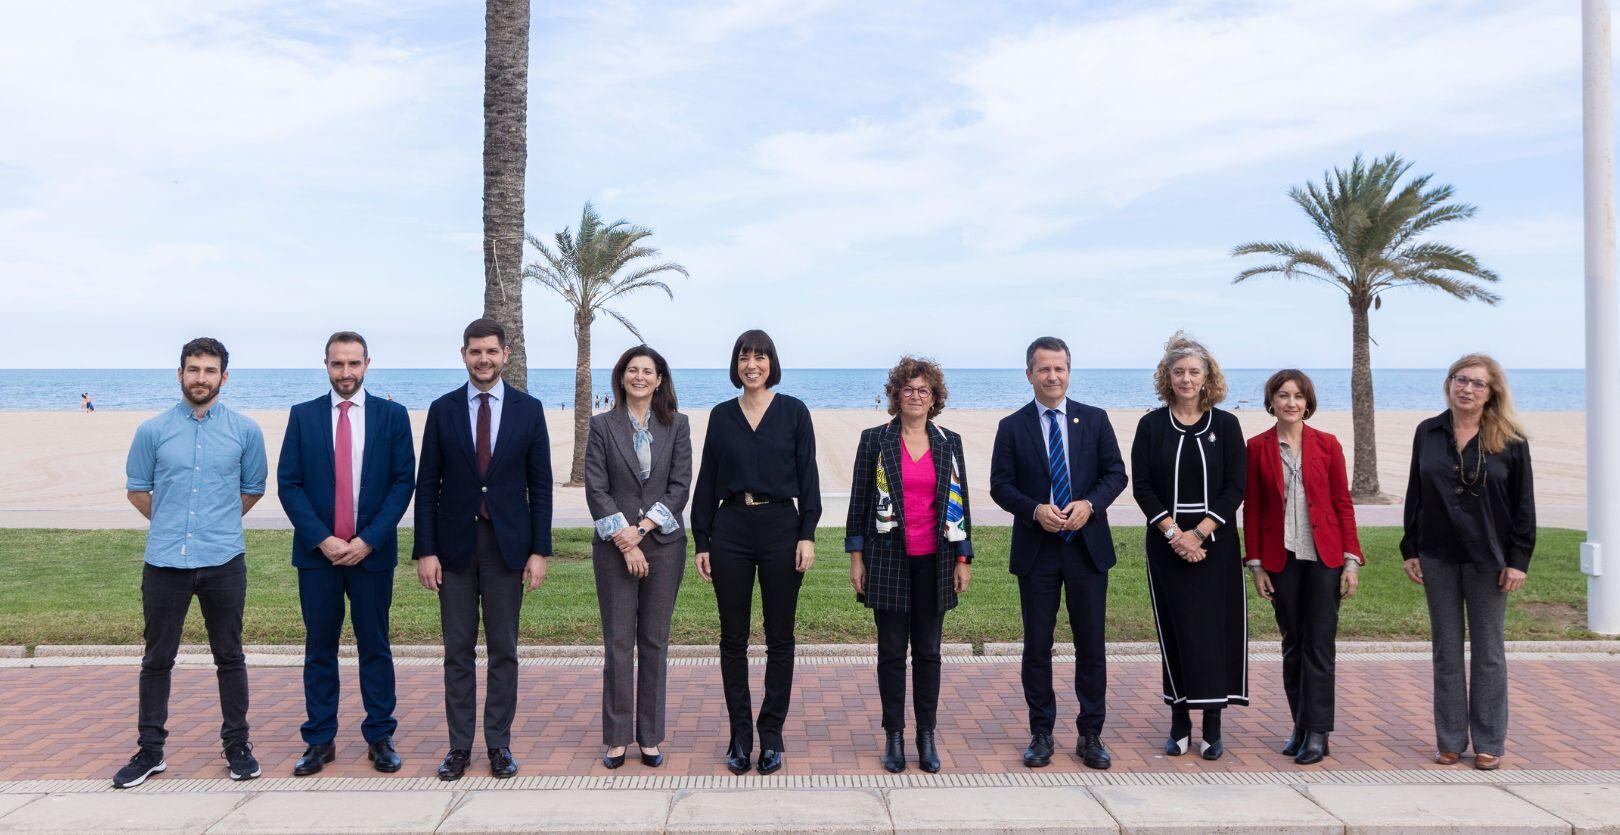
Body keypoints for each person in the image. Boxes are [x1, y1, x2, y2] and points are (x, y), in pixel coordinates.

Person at [114, 338, 267, 788]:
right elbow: (138, 488)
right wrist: (172, 525)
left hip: (224, 561)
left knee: (230, 657)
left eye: (210, 370)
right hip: (164, 563)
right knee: (157, 659)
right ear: (179, 373)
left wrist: (213, 525)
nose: (201, 377)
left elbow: (252, 488)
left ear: (224, 376)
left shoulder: (246, 431)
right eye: (193, 369)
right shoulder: (152, 430)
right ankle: (150, 750)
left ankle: (237, 746)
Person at [414, 318, 554, 781]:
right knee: (457, 649)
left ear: (506, 354)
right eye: (475, 352)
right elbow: (427, 483)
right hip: (453, 547)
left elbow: (541, 485)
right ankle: (459, 748)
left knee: (503, 649)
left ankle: (499, 744)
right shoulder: (443, 409)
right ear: (463, 355)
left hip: (507, 546)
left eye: (491, 351)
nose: (484, 359)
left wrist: (539, 551)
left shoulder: (529, 410)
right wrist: (425, 551)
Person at [276, 332, 416, 776]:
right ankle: (319, 740)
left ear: (367, 364)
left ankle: (380, 736)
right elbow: (289, 484)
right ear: (326, 364)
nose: (346, 373)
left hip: (371, 555)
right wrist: (323, 538)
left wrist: (368, 540)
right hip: (318, 555)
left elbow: (402, 483)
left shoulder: (392, 417)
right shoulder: (303, 416)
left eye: (354, 364)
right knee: (320, 648)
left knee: (375, 645)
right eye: (338, 364)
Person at [989, 336, 1126, 771]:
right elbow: (1000, 485)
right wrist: (1033, 510)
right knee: (1037, 647)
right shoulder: (1012, 426)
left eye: (1060, 368)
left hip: (1087, 549)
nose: (1053, 376)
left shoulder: (1095, 419)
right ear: (1029, 374)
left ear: (1069, 372)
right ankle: (1041, 733)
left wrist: (1090, 504)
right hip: (1038, 550)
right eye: (1044, 369)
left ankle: (1091, 734)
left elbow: (1115, 474)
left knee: (1091, 646)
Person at [692, 329, 820, 776]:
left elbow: (809, 480)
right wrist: (702, 540)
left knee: (780, 637)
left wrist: (807, 534)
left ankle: (771, 738)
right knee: (733, 638)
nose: (753, 364)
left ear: (771, 363)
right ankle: (738, 736)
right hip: (730, 530)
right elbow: (706, 482)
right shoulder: (722, 415)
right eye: (745, 356)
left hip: (782, 527)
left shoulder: (794, 413)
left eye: (761, 356)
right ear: (736, 363)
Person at [1402, 353, 1535, 771]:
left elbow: (1524, 506)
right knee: (1446, 650)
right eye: (1461, 380)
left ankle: (1490, 739)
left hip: (1489, 559)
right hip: (1438, 555)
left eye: (1478, 383)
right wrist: (1411, 549)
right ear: (1449, 383)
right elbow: (1415, 495)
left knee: (1488, 651)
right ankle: (1450, 740)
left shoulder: (1511, 440)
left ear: (1492, 391)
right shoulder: (1428, 432)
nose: (1468, 389)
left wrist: (1518, 560)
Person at [846, 356, 974, 773]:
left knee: (929, 653)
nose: (915, 396)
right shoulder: (874, 440)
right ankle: (894, 737)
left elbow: (960, 504)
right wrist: (856, 558)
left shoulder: (948, 441)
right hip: (887, 560)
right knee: (889, 653)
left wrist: (963, 557)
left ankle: (926, 737)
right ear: (895, 395)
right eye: (908, 389)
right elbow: (859, 503)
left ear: (934, 398)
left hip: (935, 562)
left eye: (924, 390)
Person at [1130, 331, 1247, 761]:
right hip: (1165, 547)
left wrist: (1198, 533)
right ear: (1167, 377)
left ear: (1207, 377)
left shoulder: (1228, 425)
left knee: (1214, 633)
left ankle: (1213, 725)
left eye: (1194, 371)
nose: (1186, 378)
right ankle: (1179, 721)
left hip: (1215, 546)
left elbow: (1236, 486)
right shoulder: (1151, 425)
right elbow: (1141, 486)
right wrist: (1173, 534)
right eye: (1178, 371)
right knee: (1176, 633)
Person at [1242, 369, 1362, 765]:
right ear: (1271, 401)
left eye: (1297, 396)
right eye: (1282, 395)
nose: (1290, 402)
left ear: (1307, 402)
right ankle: (1299, 725)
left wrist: (1351, 560)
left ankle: (1318, 732)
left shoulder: (1328, 445)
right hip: (1282, 558)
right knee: (1292, 645)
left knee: (1319, 646)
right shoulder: (1257, 447)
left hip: (1325, 558)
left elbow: (1342, 504)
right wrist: (1256, 565)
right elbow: (1254, 508)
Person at [584, 345, 692, 769]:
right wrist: (625, 542)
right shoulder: (601, 426)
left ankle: (649, 736)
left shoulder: (678, 426)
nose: (640, 377)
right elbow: (596, 487)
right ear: (622, 376)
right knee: (617, 643)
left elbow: (680, 486)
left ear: (660, 379)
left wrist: (643, 530)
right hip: (613, 551)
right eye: (633, 370)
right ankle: (615, 738)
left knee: (653, 643)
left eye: (648, 371)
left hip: (664, 548)